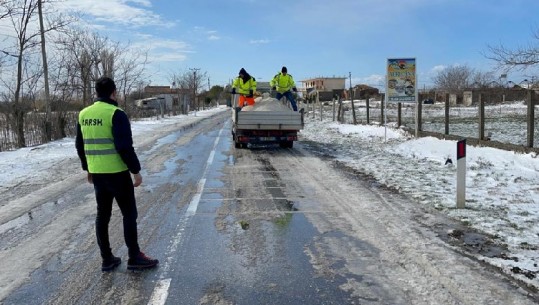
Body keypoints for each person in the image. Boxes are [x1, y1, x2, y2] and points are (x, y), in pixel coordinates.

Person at [75, 76, 159, 272]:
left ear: (96, 92)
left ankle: (107, 259)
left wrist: (88, 168)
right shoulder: (116, 113)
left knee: (102, 216)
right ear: (113, 92)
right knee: (129, 213)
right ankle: (134, 256)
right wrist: (136, 171)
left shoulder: (83, 114)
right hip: (118, 173)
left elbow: (80, 145)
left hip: (97, 174)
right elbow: (124, 147)